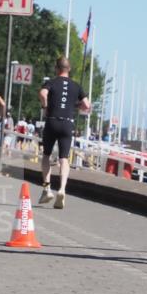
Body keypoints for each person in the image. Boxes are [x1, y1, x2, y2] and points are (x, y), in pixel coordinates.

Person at [38, 57, 90, 209]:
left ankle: (47, 188)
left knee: (47, 155)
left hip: (52, 120)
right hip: (68, 123)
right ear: (70, 69)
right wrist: (76, 105)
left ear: (56, 68)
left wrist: (45, 106)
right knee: (64, 158)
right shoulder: (76, 86)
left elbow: (42, 93)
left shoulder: (52, 82)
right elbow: (87, 105)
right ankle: (62, 189)